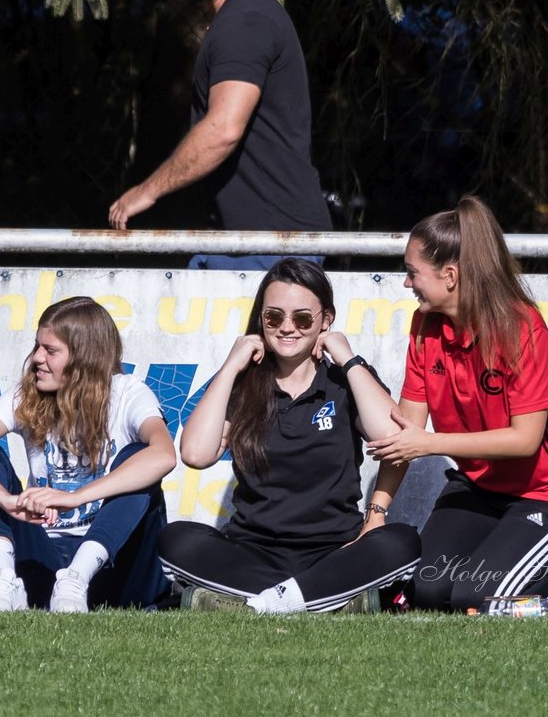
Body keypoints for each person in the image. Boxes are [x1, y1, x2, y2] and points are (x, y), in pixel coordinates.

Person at [368, 196, 548, 617]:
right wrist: (375, 513)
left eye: (412, 273)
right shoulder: (423, 326)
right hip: (478, 488)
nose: (406, 283)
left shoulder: (523, 327)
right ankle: (506, 570)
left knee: (475, 599)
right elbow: (405, 435)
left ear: (450, 276)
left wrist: (429, 443)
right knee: (428, 593)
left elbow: (525, 441)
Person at [160, 258, 421, 613]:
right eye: (273, 317)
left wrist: (346, 356)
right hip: (251, 551)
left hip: (334, 551)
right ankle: (321, 599)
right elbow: (195, 453)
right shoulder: (243, 383)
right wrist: (231, 366)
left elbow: (394, 437)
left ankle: (261, 600)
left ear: (325, 320)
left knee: (401, 543)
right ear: (260, 321)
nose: (287, 328)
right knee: (176, 540)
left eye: (302, 318)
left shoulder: (346, 379)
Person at [107, 0, 331, 270]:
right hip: (250, 242)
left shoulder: (245, 21)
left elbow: (223, 128)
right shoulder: (242, 15)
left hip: (271, 246)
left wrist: (147, 190)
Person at [0, 297, 176, 612]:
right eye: (37, 346)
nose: (37, 358)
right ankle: (2, 581)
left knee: (140, 457)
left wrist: (75, 497)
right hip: (47, 556)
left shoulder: (128, 393)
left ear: (84, 359)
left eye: (50, 351)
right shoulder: (28, 394)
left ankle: (76, 580)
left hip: (112, 565)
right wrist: (7, 500)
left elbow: (163, 455)